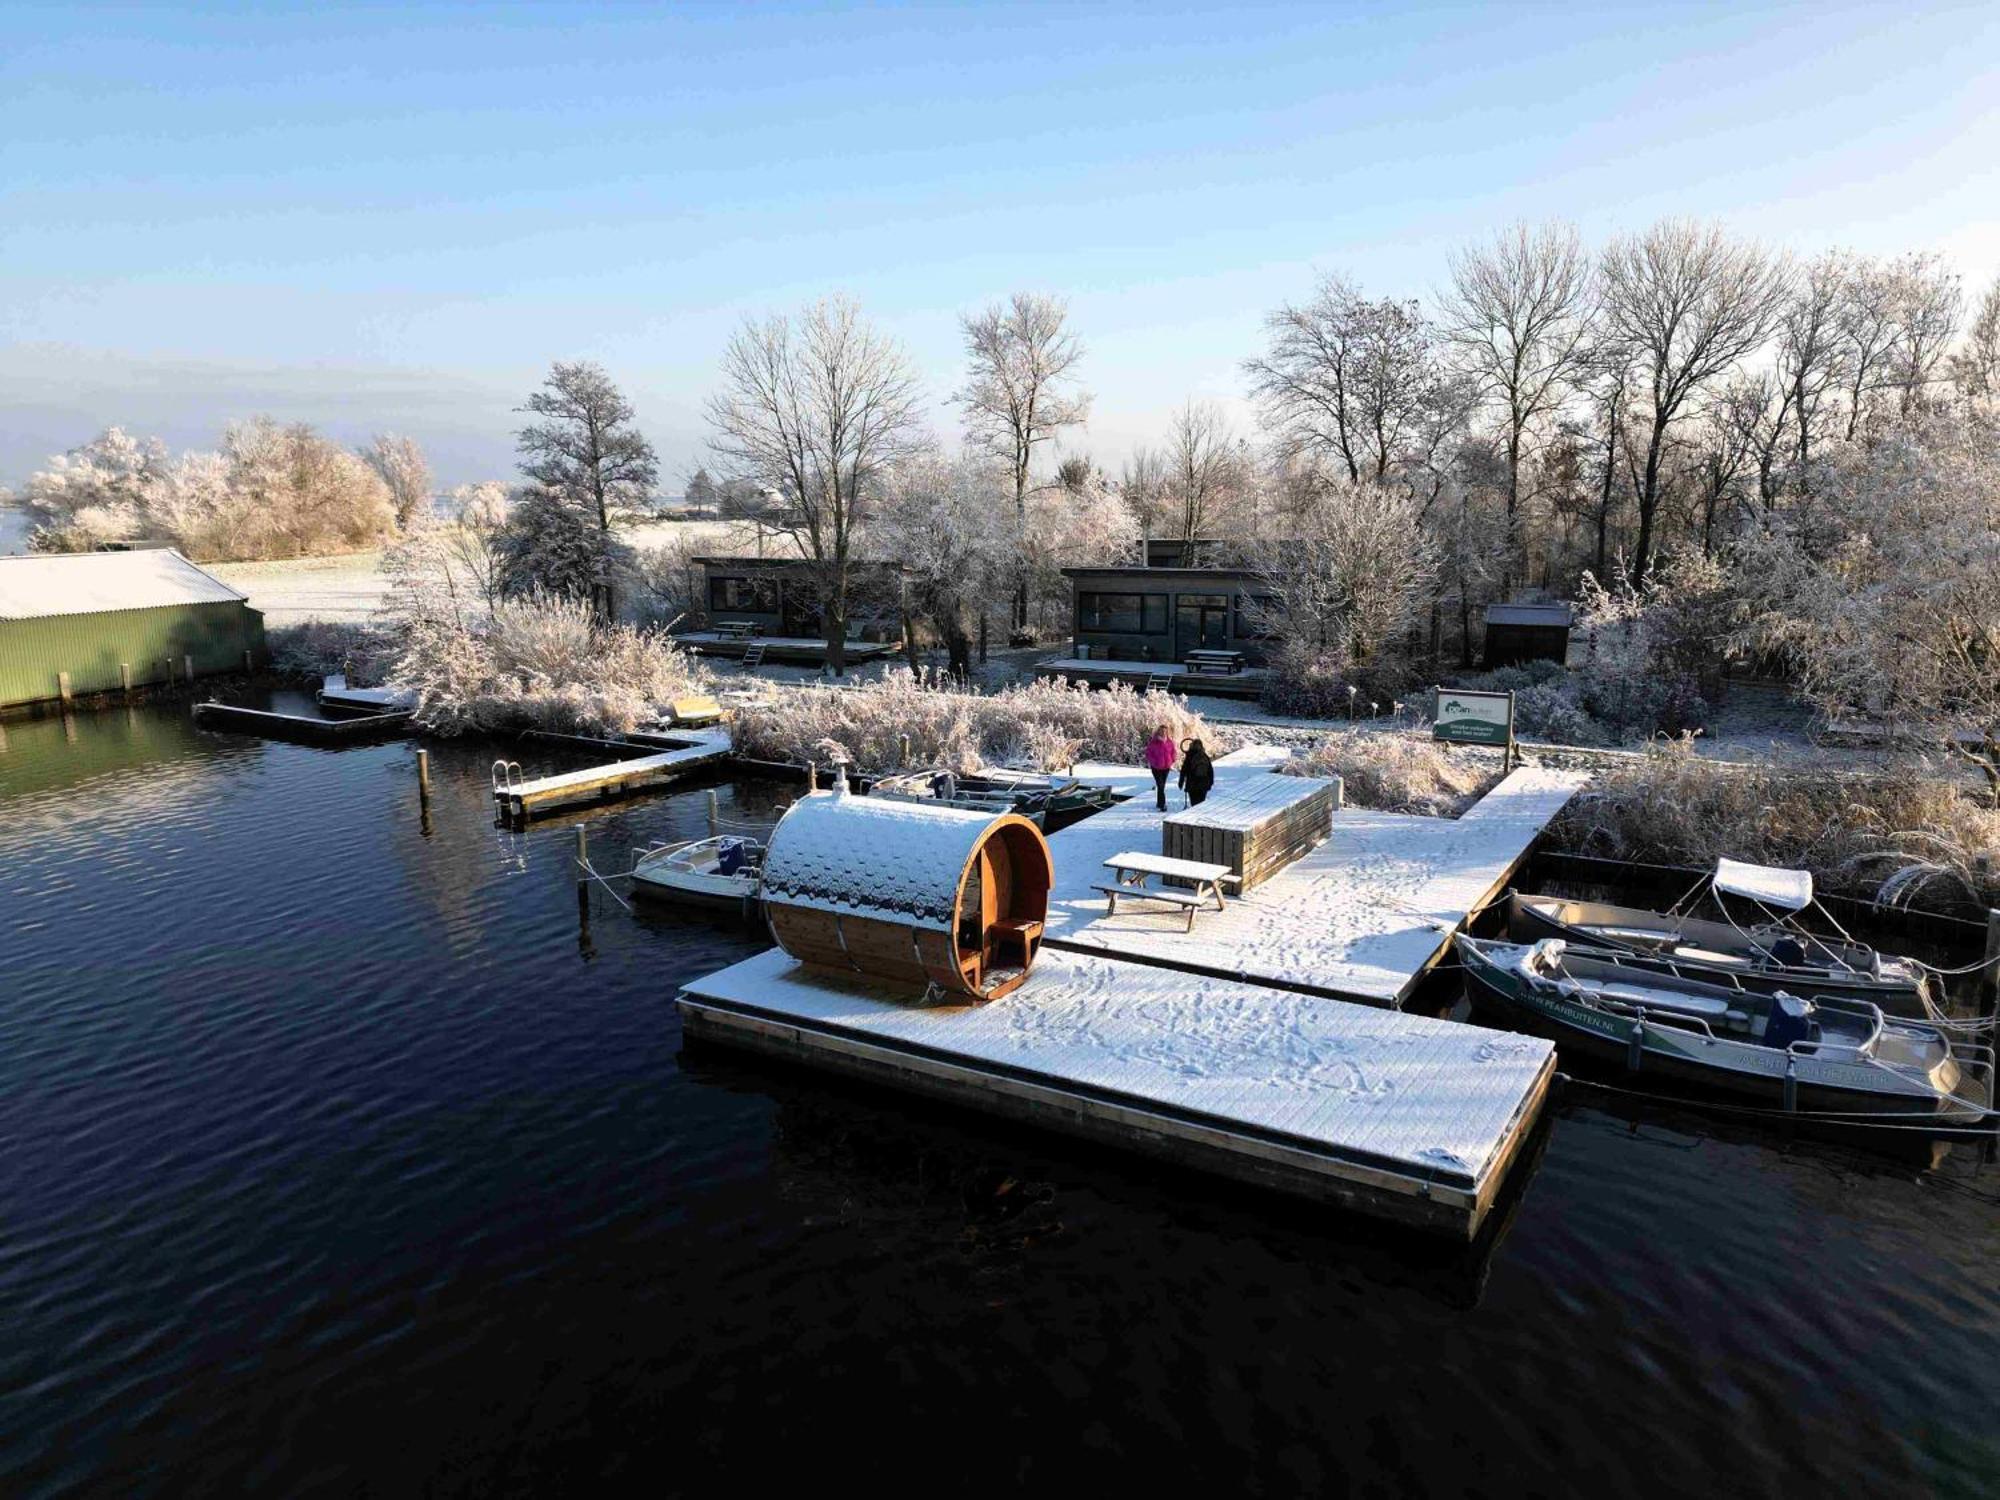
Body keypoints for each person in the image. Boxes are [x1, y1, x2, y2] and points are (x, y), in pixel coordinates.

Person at [1143, 724, 1178, 811]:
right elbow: (1148, 754)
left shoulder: (1170, 742)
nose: (1163, 732)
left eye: (1165, 731)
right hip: (1156, 768)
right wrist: (1154, 762)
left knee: (1161, 786)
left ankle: (1159, 803)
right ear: (1158, 731)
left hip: (1166, 767)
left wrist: (1172, 760)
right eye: (1161, 731)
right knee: (1160, 785)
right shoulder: (1153, 742)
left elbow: (1174, 752)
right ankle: (1163, 805)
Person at [1179, 736, 1215, 807]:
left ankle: (1195, 815)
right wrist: (1210, 782)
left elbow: (1184, 770)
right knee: (1201, 803)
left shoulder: (1189, 756)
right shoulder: (1205, 756)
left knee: (1194, 804)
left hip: (1192, 784)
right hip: (1203, 784)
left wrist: (1181, 782)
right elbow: (1210, 770)